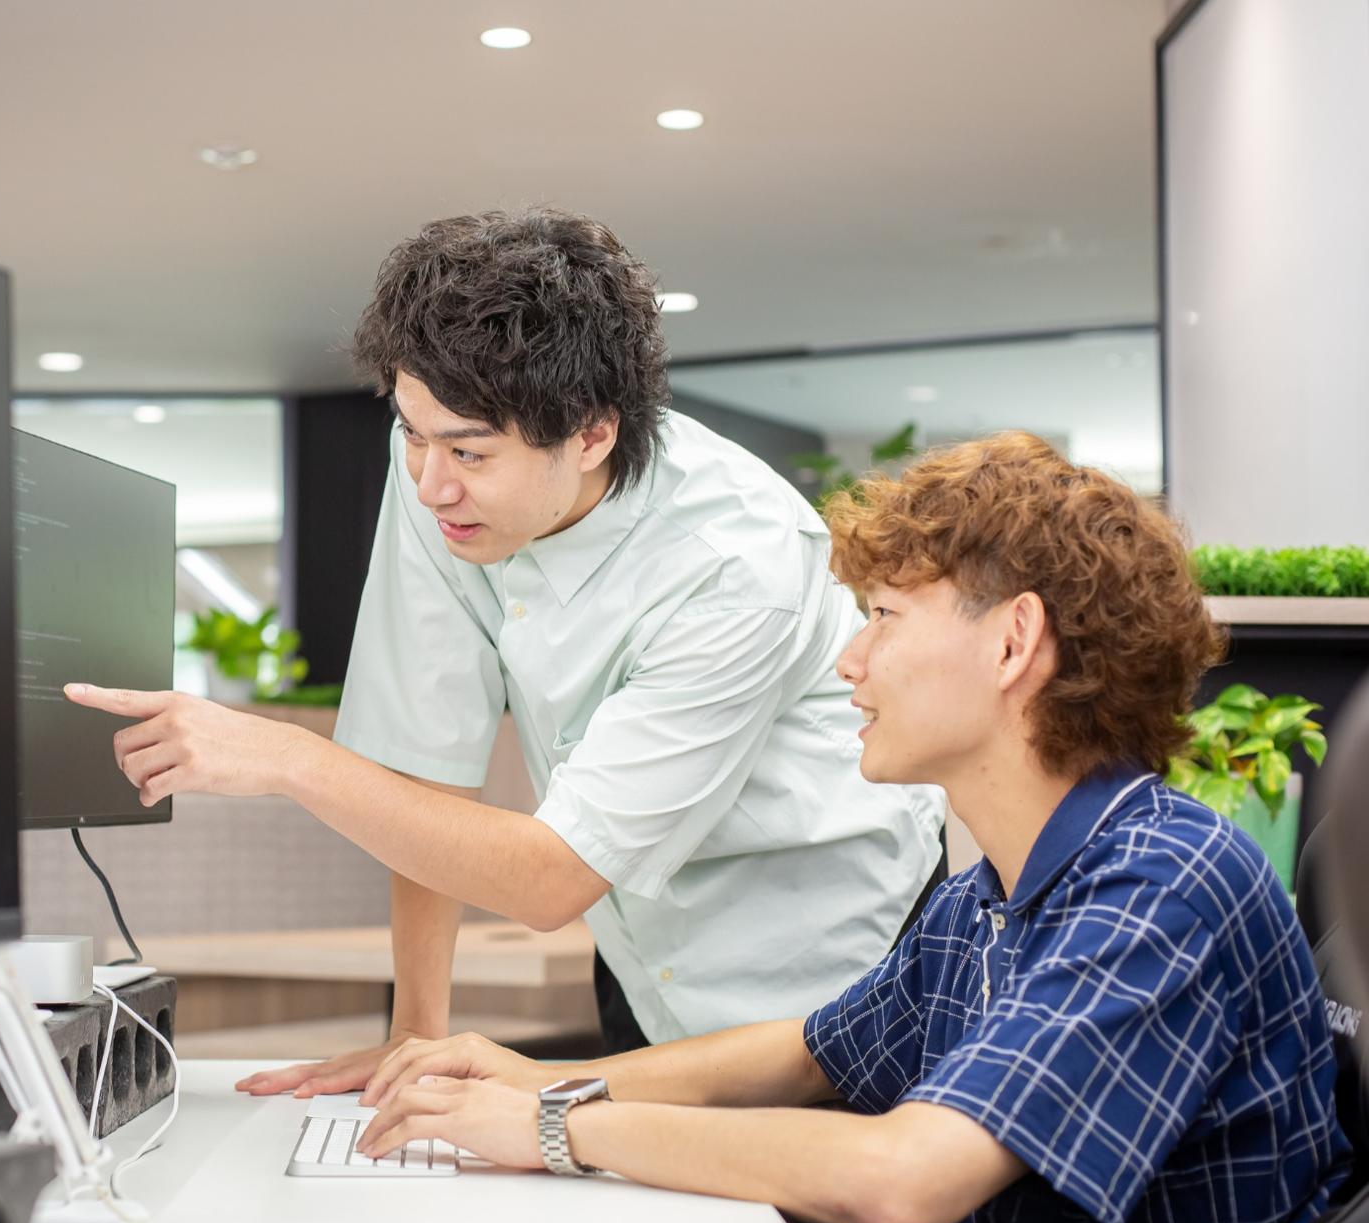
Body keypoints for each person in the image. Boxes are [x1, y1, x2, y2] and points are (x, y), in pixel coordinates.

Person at [354, 433, 1351, 1223]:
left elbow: (901, 1178)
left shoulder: (1161, 883)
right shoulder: (984, 901)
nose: (850, 662)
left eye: (884, 618)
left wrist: (553, 1124)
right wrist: (543, 1077)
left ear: (1013, 641)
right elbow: (808, 1051)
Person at [67, 207, 943, 1087]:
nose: (431, 484)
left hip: (824, 960)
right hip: (641, 951)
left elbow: (551, 880)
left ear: (592, 434)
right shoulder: (440, 462)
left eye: (469, 454)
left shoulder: (736, 565)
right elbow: (426, 755)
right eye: (412, 433)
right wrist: (415, 1032)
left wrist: (290, 758)